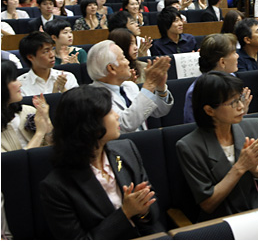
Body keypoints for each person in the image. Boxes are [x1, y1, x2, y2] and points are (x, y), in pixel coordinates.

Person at [40, 85, 164, 239]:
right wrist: (125, 213)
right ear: (92, 125)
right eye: (110, 112)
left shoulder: (125, 150)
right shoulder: (57, 187)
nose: (117, 116)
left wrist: (143, 210)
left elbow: (153, 212)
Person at [176, 71, 258, 221]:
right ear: (209, 110)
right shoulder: (189, 146)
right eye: (233, 103)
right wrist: (240, 167)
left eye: (240, 99)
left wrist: (254, 168)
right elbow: (208, 204)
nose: (241, 106)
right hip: (220, 221)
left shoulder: (256, 126)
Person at [87, 40, 173, 132]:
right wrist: (149, 84)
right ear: (111, 68)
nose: (128, 62)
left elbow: (159, 111)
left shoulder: (130, 86)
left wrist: (161, 88)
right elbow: (126, 124)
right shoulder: (93, 96)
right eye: (123, 58)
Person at [183, 33, 246, 124]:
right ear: (222, 62)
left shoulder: (232, 77)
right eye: (234, 53)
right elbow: (192, 125)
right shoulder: (197, 90)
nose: (237, 56)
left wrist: (244, 110)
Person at [1, 60, 53, 152]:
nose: (20, 84)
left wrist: (46, 120)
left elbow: (54, 147)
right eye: (13, 80)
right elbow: (13, 163)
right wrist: (39, 133)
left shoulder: (27, 110)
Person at [17, 31, 79, 96]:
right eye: (46, 51)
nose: (52, 55)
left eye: (52, 49)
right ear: (30, 57)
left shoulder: (68, 77)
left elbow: (77, 104)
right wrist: (55, 94)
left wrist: (63, 90)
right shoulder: (20, 85)